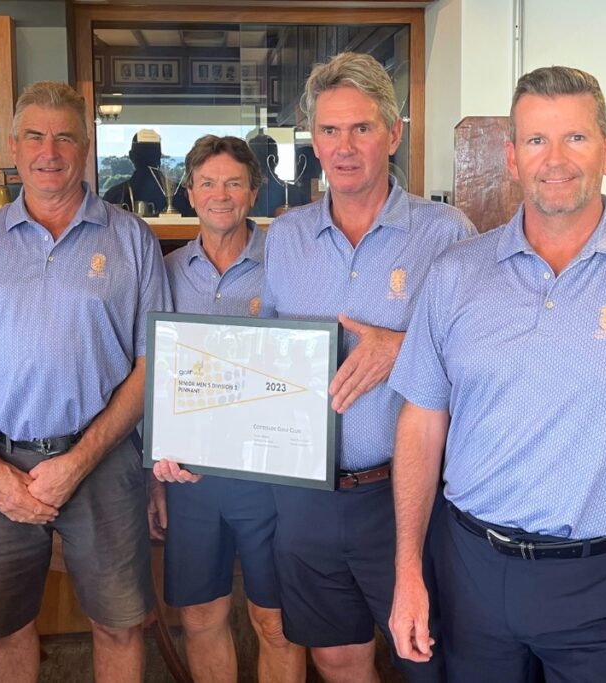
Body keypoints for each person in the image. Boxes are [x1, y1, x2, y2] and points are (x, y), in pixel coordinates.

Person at [388, 66, 606, 683]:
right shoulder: (458, 275)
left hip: (599, 583)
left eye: (576, 138)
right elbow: (422, 420)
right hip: (468, 570)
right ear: (511, 158)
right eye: (537, 141)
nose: (556, 159)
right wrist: (408, 567)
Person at [0, 81, 169, 683]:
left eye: (64, 136)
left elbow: (150, 364)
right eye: (35, 135)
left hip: (104, 464)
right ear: (14, 145)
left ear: (86, 147)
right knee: (4, 630)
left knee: (118, 625)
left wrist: (79, 461)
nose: (49, 150)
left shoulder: (131, 238)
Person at [260, 52, 476, 683]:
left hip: (407, 493)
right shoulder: (286, 236)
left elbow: (487, 357)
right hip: (308, 491)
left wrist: (400, 347)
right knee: (335, 654)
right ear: (313, 140)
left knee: (426, 653)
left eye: (361, 128)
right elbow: (266, 358)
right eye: (329, 131)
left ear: (394, 133)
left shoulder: (447, 233)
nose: (344, 147)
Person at [150, 134, 305, 682]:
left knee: (278, 622)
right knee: (199, 617)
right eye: (208, 183)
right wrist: (155, 475)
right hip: (191, 479)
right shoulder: (164, 273)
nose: (221, 194)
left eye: (234, 183)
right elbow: (152, 379)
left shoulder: (288, 265)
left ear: (254, 192)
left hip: (271, 476)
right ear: (189, 193)